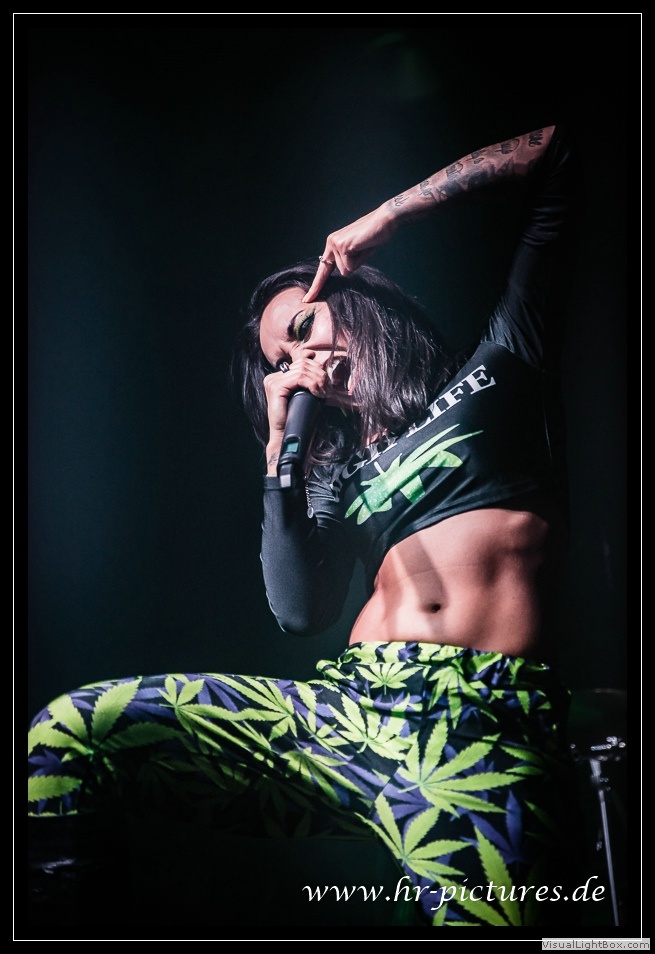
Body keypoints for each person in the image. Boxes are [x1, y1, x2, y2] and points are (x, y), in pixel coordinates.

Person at [28, 122, 587, 930]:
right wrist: (278, 454)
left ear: (356, 309)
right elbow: (299, 612)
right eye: (278, 364)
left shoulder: (499, 369)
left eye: (300, 331)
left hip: (476, 731)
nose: (297, 365)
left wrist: (384, 217)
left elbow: (555, 154)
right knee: (70, 731)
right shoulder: (339, 474)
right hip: (344, 717)